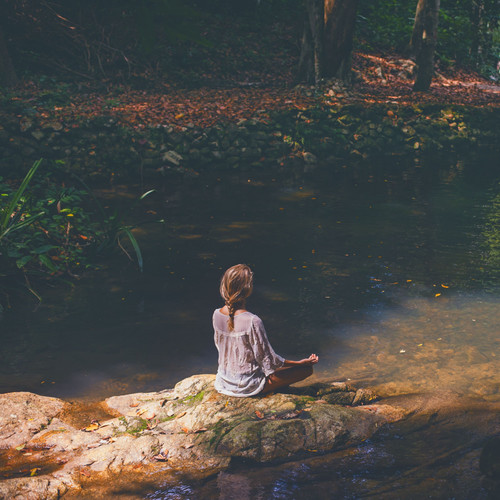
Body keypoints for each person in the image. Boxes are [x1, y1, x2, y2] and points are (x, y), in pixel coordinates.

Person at [213, 264, 318, 397]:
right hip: (247, 386)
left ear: (224, 286)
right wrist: (298, 363)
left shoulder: (216, 314)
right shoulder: (252, 321)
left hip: (224, 381)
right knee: (306, 370)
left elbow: (220, 347)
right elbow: (268, 360)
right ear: (248, 289)